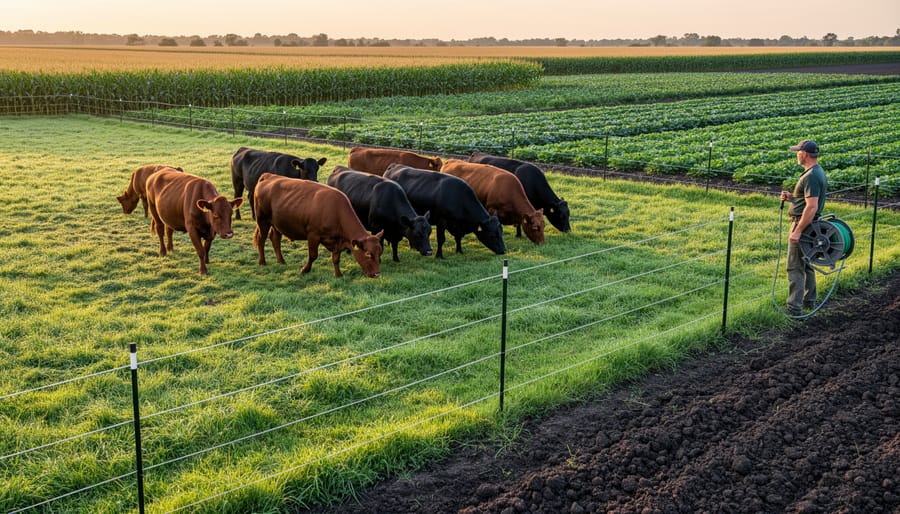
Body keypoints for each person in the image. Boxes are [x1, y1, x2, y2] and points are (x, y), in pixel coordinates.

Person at [779, 139, 827, 316]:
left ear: (804, 154)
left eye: (798, 152)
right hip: (810, 224)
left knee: (795, 266)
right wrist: (792, 198)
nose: (796, 155)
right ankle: (809, 300)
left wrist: (798, 231)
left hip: (803, 224)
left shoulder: (811, 176)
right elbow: (808, 201)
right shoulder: (816, 171)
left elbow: (812, 207)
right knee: (807, 263)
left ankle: (794, 309)